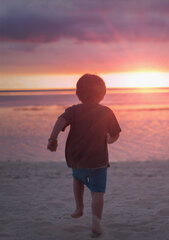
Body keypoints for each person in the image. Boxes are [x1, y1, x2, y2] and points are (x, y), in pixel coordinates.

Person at [47, 74, 121, 237]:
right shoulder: (106, 112)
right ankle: (96, 222)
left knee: (78, 179)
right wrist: (109, 140)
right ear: (102, 94)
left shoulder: (73, 110)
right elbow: (115, 134)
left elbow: (60, 121)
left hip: (76, 157)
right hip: (98, 159)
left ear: (78, 93)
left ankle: (79, 207)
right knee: (98, 192)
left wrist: (53, 138)